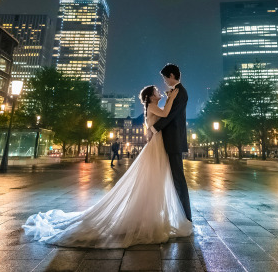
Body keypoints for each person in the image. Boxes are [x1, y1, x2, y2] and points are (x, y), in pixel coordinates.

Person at [23, 82, 192, 247]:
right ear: (150, 96)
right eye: (156, 91)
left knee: (153, 179)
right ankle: (150, 215)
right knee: (152, 178)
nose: (159, 91)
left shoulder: (151, 107)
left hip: (157, 145)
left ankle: (151, 215)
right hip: (156, 146)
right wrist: (172, 97)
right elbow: (167, 113)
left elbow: (164, 114)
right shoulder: (153, 107)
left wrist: (169, 98)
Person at [152, 63, 191, 222]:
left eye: (165, 77)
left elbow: (171, 116)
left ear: (172, 76)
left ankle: (186, 217)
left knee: (178, 179)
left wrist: (155, 128)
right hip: (172, 139)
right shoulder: (177, 92)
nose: (164, 81)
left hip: (174, 140)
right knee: (174, 178)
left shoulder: (180, 92)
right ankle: (181, 214)